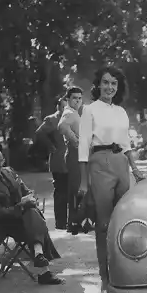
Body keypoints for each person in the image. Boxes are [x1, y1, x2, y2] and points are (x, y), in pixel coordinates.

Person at [78, 66, 145, 293]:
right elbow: (83, 145)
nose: (109, 87)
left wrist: (135, 168)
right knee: (104, 224)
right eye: (106, 83)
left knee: (124, 221)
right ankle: (105, 280)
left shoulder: (121, 112)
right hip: (99, 162)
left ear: (118, 87)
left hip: (120, 163)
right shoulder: (89, 110)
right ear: (98, 85)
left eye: (113, 84)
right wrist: (84, 182)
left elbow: (126, 143)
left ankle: (125, 276)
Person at [0, 147, 62, 285]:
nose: (0, 165)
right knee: (33, 216)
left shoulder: (8, 171)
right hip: (6, 223)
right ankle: (42, 266)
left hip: (24, 216)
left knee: (31, 213)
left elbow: (25, 190)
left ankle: (40, 257)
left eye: (1, 161)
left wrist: (30, 198)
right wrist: (21, 205)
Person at [35, 96, 69, 230]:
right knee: (61, 192)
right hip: (59, 161)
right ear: (58, 107)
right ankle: (60, 223)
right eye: (62, 106)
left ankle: (72, 220)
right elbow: (39, 133)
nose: (65, 109)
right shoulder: (52, 119)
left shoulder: (71, 118)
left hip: (71, 160)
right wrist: (50, 146)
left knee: (72, 191)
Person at [57, 87, 84, 233]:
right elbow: (61, 127)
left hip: (76, 154)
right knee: (75, 189)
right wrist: (76, 141)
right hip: (74, 154)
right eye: (75, 98)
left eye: (80, 98)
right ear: (68, 99)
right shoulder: (69, 112)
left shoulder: (73, 112)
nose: (78, 100)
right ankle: (73, 223)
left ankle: (76, 221)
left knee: (77, 188)